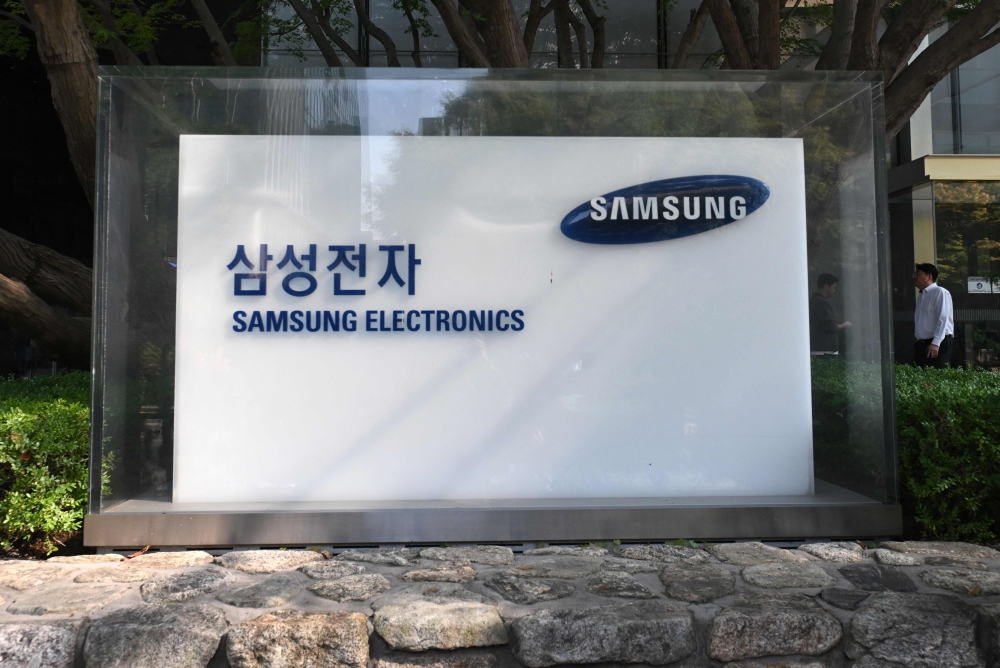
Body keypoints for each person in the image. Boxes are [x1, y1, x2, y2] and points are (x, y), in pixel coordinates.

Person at [913, 263, 954, 368]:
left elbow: (943, 318)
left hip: (938, 342)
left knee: (937, 374)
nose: (915, 277)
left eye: (918, 274)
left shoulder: (940, 292)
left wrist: (936, 343)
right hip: (922, 344)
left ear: (929, 276)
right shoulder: (921, 297)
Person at [809, 273, 852, 355]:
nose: (834, 291)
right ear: (826, 286)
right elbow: (830, 326)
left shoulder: (814, 300)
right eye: (833, 287)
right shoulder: (821, 302)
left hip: (818, 349)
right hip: (824, 351)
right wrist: (844, 325)